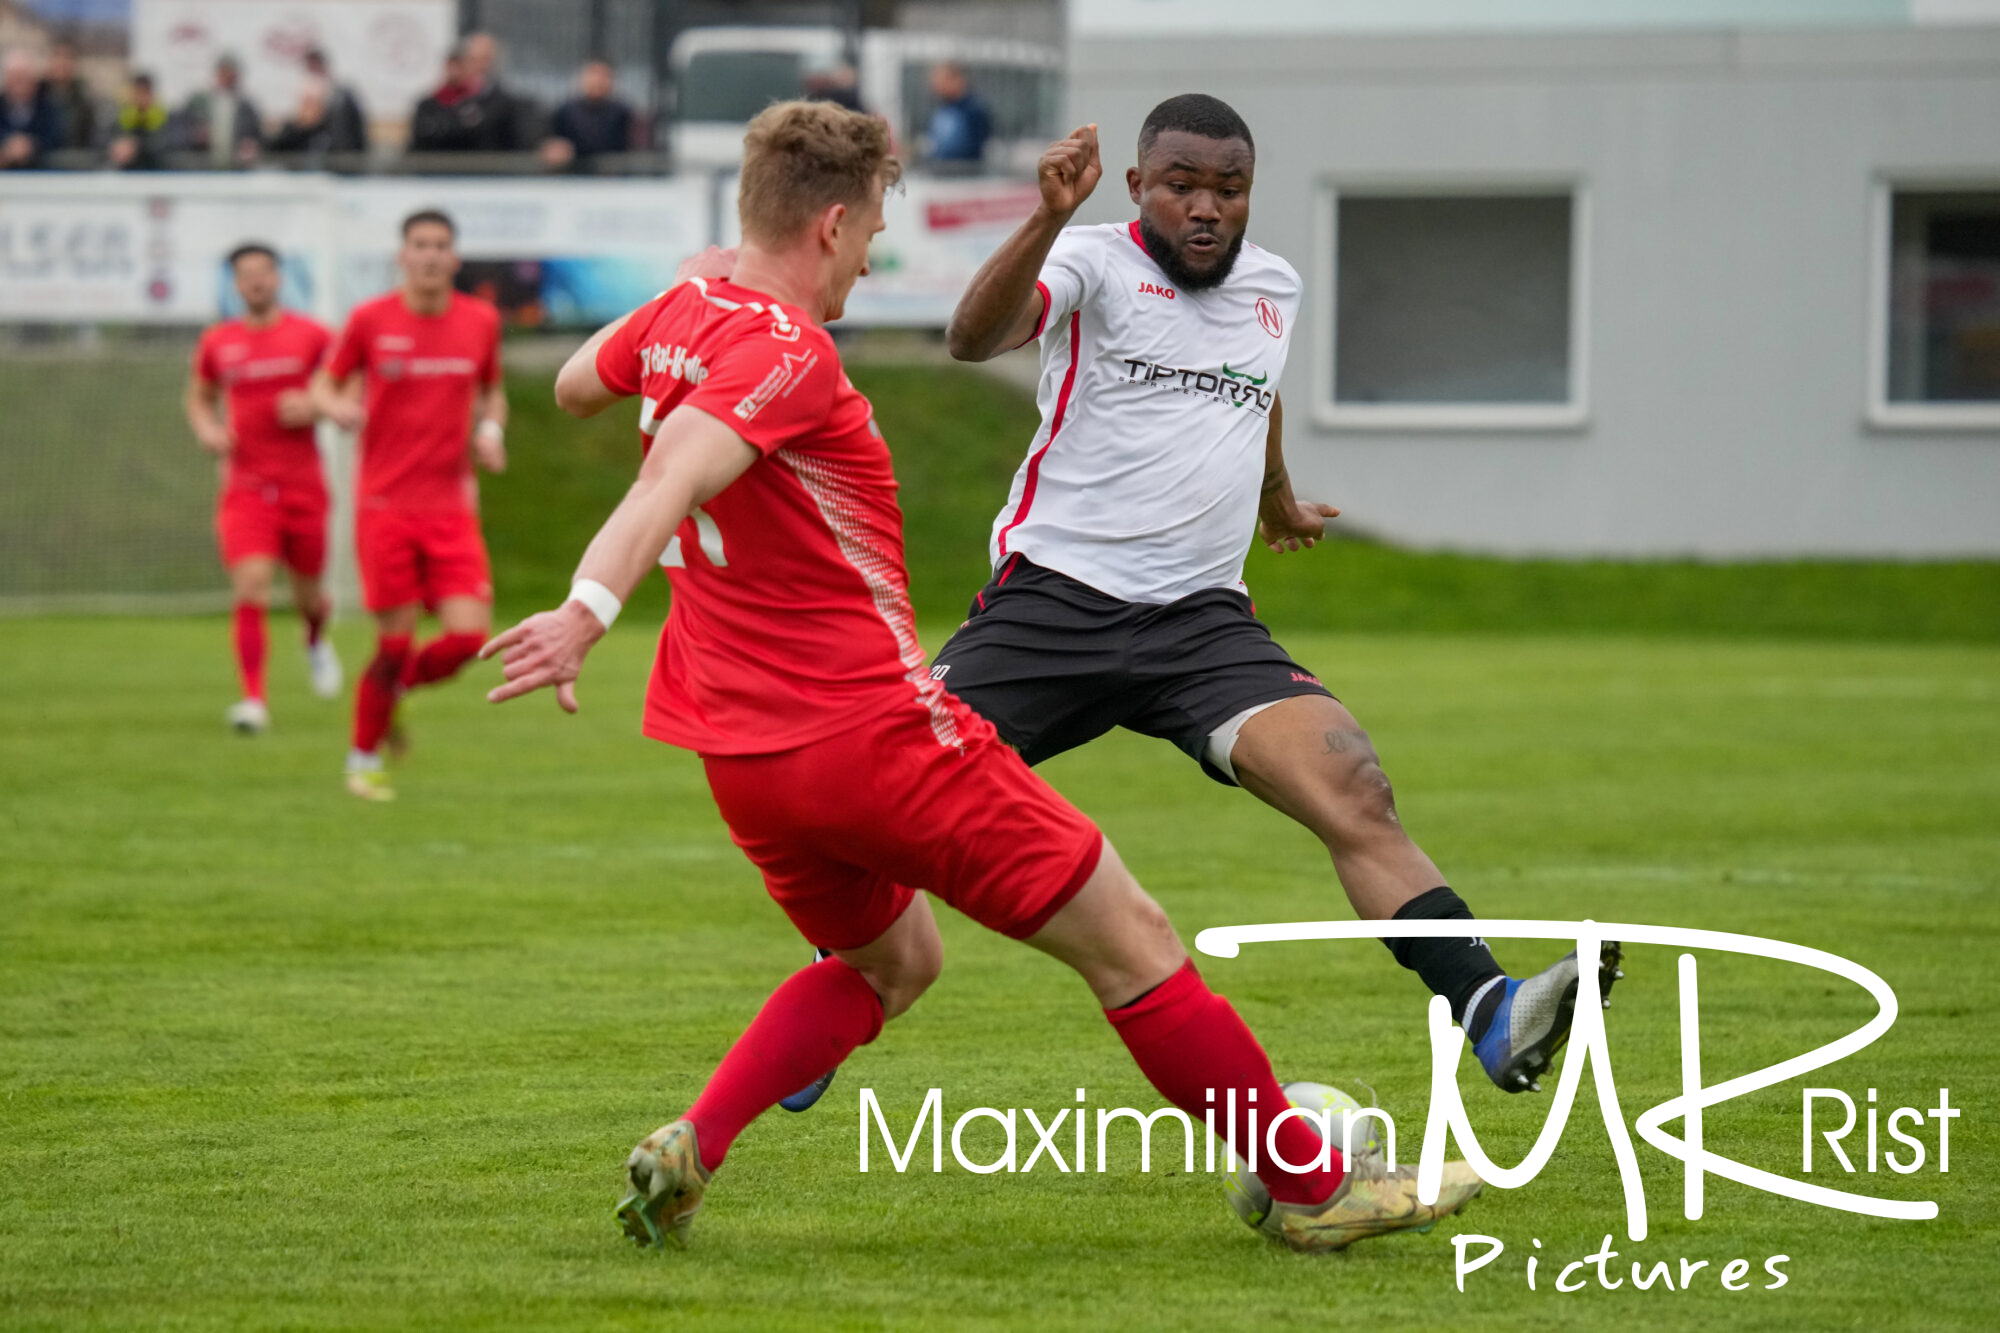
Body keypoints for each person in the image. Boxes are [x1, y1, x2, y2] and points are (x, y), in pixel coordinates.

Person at [483, 99, 1482, 1255]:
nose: (866, 263)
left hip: (738, 757)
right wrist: (583, 611)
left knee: (893, 959)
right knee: (1135, 940)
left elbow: (570, 388)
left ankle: (693, 1143)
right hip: (871, 737)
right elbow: (667, 482)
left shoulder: (683, 311)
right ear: (834, 223)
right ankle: (1312, 1185)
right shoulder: (788, 353)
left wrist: (689, 291)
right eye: (868, 239)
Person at [928, 96, 1626, 1096]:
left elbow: (1252, 390)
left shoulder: (1271, 285)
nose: (1205, 208)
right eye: (1180, 185)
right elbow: (967, 337)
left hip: (1200, 623)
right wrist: (1042, 218)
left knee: (1354, 789)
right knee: (896, 788)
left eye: (1228, 188)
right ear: (1137, 187)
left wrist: (1276, 497)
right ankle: (847, 977)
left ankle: (1488, 1005)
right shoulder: (1089, 259)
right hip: (1054, 603)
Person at [311, 210, 506, 801]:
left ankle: (389, 695)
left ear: (454, 258)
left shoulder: (481, 321)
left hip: (450, 507)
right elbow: (325, 382)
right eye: (419, 244)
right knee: (393, 643)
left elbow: (492, 390)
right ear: (402, 255)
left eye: (440, 245)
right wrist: (335, 406)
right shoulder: (370, 320)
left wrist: (491, 431)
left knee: (467, 640)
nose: (429, 255)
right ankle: (362, 758)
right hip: (384, 504)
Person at [186, 244, 342, 732]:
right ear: (234, 284)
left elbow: (347, 383)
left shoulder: (312, 334)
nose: (255, 282)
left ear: (278, 278)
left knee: (309, 597)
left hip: (304, 485)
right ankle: (253, 701)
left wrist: (316, 406)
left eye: (263, 272)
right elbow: (198, 397)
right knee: (251, 586)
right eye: (245, 275)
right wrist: (209, 430)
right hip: (247, 488)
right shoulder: (219, 341)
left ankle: (315, 639)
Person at [410, 33, 522, 152]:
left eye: (485, 59)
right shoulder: (431, 105)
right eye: (473, 59)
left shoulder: (504, 104)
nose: (480, 66)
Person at [541, 59, 632, 170]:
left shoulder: (622, 113)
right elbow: (553, 142)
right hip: (572, 176)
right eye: (592, 76)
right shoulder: (565, 112)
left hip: (614, 177)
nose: (597, 81)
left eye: (603, 76)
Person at [174, 53, 261, 168]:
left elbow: (256, 136)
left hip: (236, 168)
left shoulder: (246, 107)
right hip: (201, 166)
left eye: (232, 76)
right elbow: (179, 131)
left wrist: (249, 145)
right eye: (225, 74)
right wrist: (194, 135)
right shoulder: (198, 102)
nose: (228, 80)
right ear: (217, 74)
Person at [0, 48, 62, 169]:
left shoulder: (50, 108)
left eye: (23, 77)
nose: (19, 83)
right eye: (14, 77)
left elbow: (56, 139)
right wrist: (7, 145)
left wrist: (30, 145)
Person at [922, 61, 989, 164]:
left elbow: (972, 149)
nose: (936, 87)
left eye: (942, 81)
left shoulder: (973, 112)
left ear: (957, 80)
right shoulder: (941, 111)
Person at [302, 47, 366, 151]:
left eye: (312, 68)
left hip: (341, 151)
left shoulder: (340, 94)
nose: (310, 73)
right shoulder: (329, 92)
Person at [107, 72, 168, 170]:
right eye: (138, 93)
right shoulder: (123, 116)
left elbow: (162, 144)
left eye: (144, 93)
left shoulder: (162, 117)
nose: (141, 98)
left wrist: (135, 147)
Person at [46, 41, 97, 152]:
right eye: (57, 56)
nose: (62, 63)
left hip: (73, 161)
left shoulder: (84, 99)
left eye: (67, 58)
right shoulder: (37, 94)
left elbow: (90, 138)